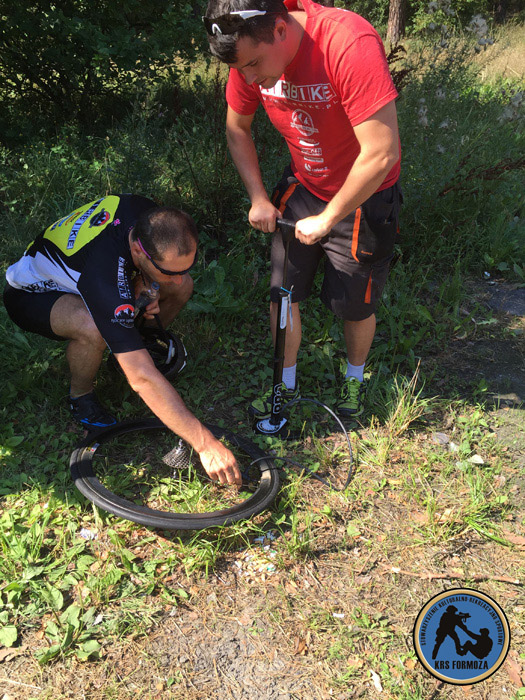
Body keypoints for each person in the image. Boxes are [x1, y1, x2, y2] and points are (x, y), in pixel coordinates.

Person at [204, 0, 402, 418]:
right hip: (304, 186)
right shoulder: (247, 52)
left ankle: (354, 380)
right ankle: (285, 385)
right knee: (284, 293)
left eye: (253, 65)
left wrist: (329, 219)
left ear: (280, 29)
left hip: (364, 196)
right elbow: (237, 128)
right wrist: (258, 197)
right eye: (240, 69)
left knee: (355, 304)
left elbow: (382, 153)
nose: (249, 78)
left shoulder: (346, 43)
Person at [3, 194, 241, 485]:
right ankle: (81, 397)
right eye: (169, 271)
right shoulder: (103, 278)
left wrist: (149, 282)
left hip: (90, 269)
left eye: (185, 268)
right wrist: (204, 443)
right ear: (139, 251)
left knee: (182, 288)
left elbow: (156, 271)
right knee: (92, 327)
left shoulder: (147, 215)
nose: (178, 277)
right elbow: (141, 378)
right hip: (32, 294)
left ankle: (137, 342)